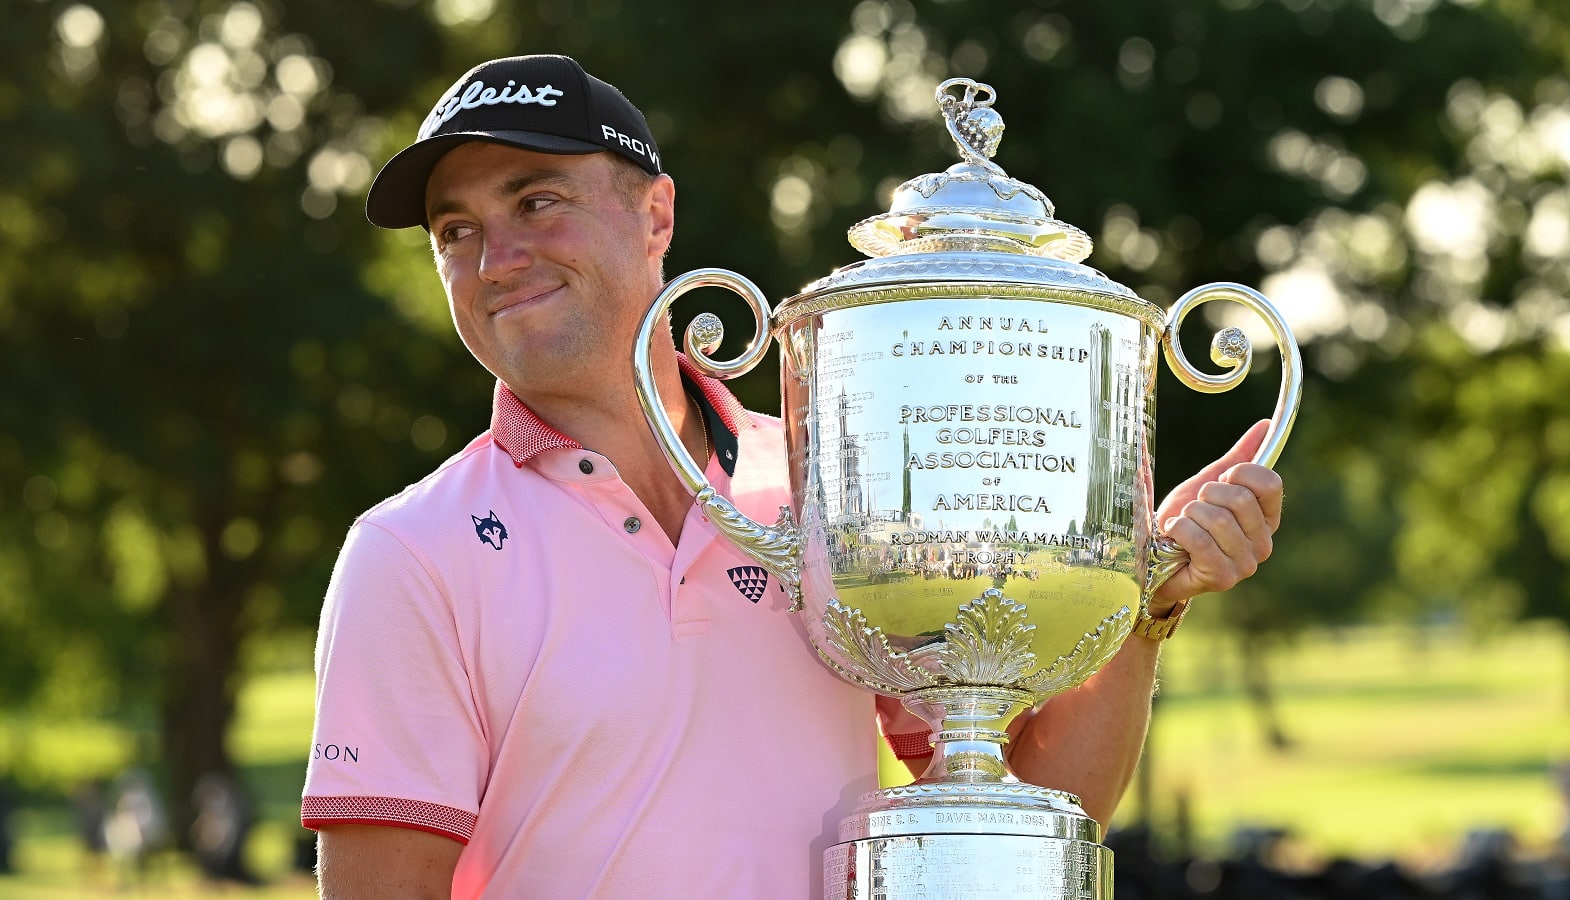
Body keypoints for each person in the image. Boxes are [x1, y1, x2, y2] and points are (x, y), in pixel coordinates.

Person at [300, 54, 1284, 899]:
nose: (494, 258)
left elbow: (1025, 795)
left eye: (535, 200)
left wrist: (1145, 604)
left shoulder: (829, 493)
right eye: (454, 231)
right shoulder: (411, 551)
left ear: (655, 216)